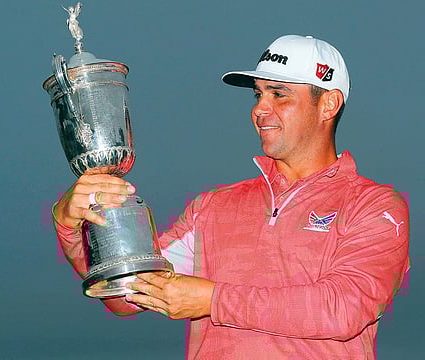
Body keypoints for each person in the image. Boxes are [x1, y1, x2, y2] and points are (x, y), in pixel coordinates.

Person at [52, 35, 409, 359]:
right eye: (258, 94)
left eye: (278, 94)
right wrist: (69, 225)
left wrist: (213, 299)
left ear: (328, 104)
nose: (260, 109)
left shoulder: (375, 206)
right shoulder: (213, 207)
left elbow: (343, 308)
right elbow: (127, 294)